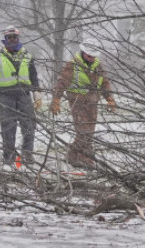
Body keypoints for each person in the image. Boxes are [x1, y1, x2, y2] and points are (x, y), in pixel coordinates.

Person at [50, 38, 116, 169]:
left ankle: (73, 156)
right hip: (77, 102)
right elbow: (61, 82)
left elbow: (104, 83)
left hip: (92, 102)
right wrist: (56, 99)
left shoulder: (98, 67)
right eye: (89, 55)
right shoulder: (72, 65)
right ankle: (84, 158)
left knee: (89, 132)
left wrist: (110, 98)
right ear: (83, 52)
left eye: (93, 56)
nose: (91, 58)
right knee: (83, 131)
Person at [0, 27, 41, 165]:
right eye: (9, 37)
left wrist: (37, 92)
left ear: (18, 38)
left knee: (29, 125)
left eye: (14, 37)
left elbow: (33, 76)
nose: (12, 40)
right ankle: (9, 156)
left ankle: (28, 154)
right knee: (8, 127)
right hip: (6, 96)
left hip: (24, 96)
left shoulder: (27, 56)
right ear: (5, 39)